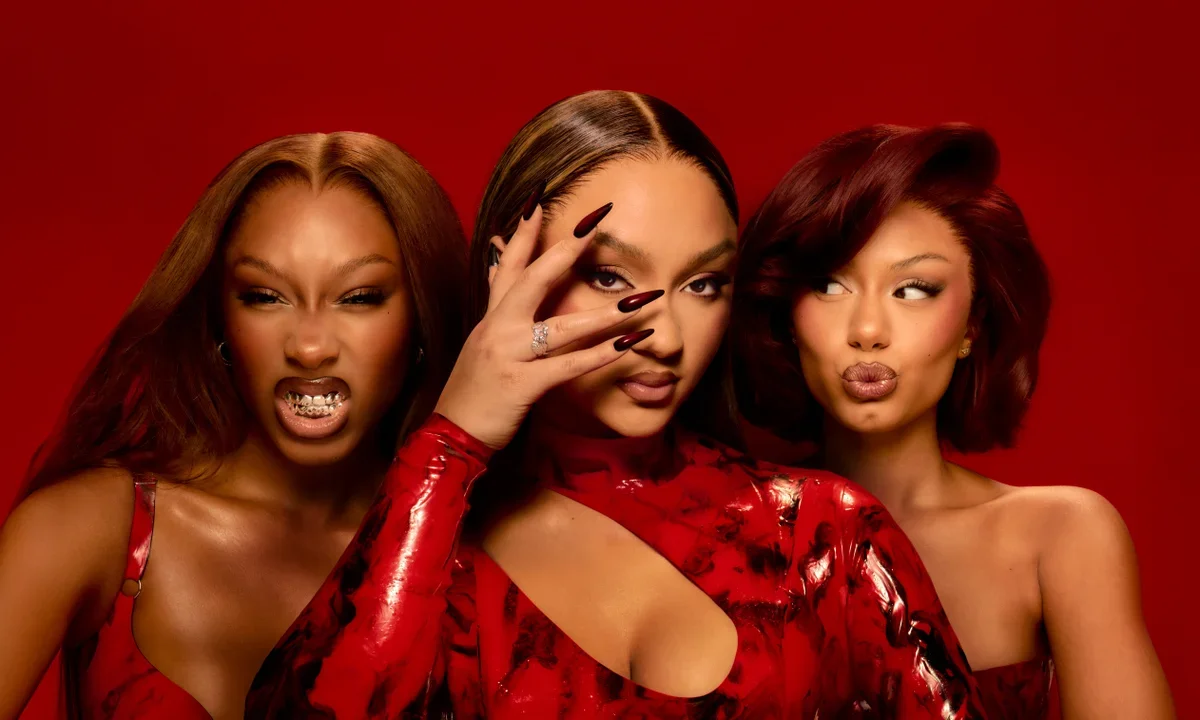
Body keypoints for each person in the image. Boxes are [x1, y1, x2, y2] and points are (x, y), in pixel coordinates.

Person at [249, 92, 992, 719]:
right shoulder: (419, 544)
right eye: (611, 277)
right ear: (508, 271)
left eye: (703, 284)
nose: (666, 337)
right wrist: (453, 441)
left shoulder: (821, 536)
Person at [0, 131, 651, 719]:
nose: (310, 348)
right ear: (220, 320)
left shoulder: (489, 556)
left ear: (420, 322)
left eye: (359, 298)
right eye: (264, 297)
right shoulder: (92, 530)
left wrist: (450, 448)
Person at [733, 123, 1175, 719]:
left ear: (971, 325)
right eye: (830, 285)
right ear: (788, 315)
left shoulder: (1059, 537)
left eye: (914, 290)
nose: (868, 330)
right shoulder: (730, 532)